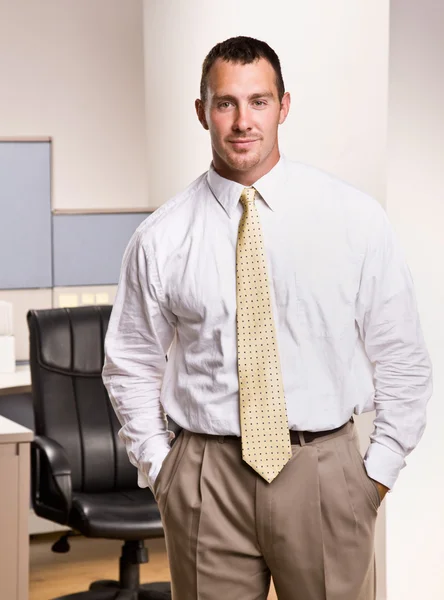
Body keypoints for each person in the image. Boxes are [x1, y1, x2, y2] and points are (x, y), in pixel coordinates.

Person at [102, 36, 433, 600]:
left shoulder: (353, 219)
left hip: (326, 471)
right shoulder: (161, 237)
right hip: (207, 477)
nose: (242, 122)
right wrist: (164, 471)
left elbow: (401, 355)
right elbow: (130, 363)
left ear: (283, 106)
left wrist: (377, 473)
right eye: (226, 103)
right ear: (202, 111)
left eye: (258, 101)